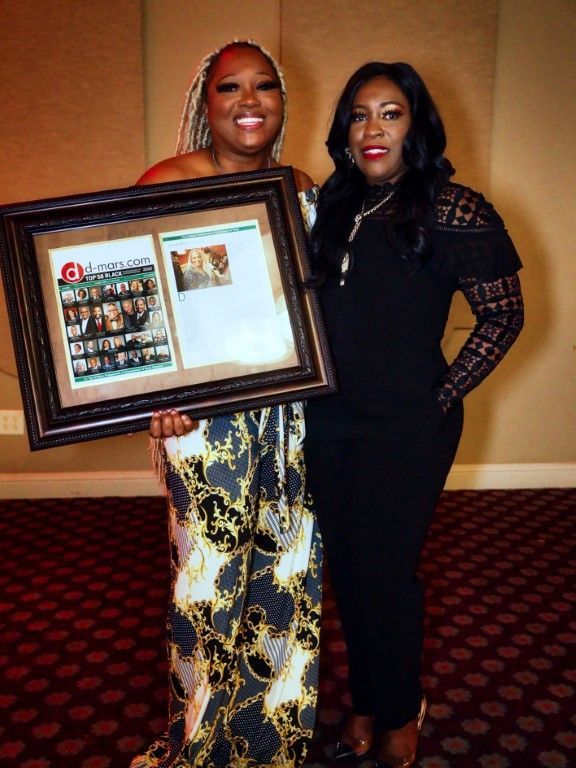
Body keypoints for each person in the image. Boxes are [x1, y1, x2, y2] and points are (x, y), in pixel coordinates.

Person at [305, 62, 524, 768]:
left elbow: (502, 315)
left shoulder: (453, 209)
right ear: (344, 131)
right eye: (359, 114)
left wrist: (439, 392)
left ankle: (400, 712)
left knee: (386, 570)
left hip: (406, 426)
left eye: (390, 113)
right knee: (347, 567)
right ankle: (367, 702)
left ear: (415, 126)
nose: (373, 129)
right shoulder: (329, 207)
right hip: (327, 420)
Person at [129, 40, 321, 768]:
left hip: (290, 418)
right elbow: (142, 301)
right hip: (203, 421)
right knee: (209, 585)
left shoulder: (300, 183)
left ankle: (270, 744)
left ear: (281, 100)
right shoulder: (167, 180)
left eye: (264, 86)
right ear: (204, 105)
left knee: (285, 577)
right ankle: (203, 744)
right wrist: (155, 398)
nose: (249, 101)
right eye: (230, 87)